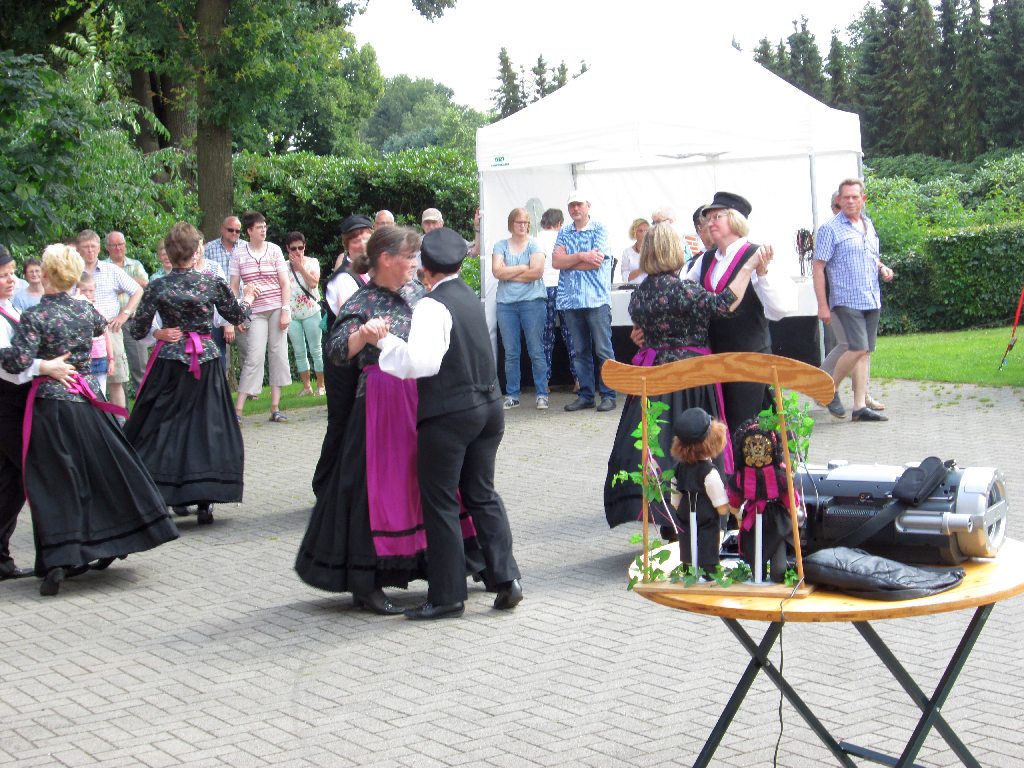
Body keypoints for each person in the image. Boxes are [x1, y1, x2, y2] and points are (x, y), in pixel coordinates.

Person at [297, 226, 471, 614]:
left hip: (422, 400)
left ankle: (447, 568)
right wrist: (363, 335)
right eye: (408, 257)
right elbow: (336, 350)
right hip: (379, 406)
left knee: (430, 483)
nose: (414, 264)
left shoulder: (419, 292)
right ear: (385, 259)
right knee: (372, 491)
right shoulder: (361, 300)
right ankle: (366, 583)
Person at [1, 244, 178, 596]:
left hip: (52, 408)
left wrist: (36, 360)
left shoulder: (36, 316)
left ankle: (60, 558)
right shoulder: (84, 309)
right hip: (87, 403)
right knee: (98, 472)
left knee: (55, 482)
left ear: (47, 274)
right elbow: (100, 327)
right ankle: (106, 541)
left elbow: (17, 361)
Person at [373, 227, 523, 620]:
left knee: (440, 501)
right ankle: (507, 578)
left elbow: (421, 363)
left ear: (425, 268)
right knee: (482, 494)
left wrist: (384, 342)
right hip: (489, 406)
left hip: (451, 413)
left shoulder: (431, 305)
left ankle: (447, 595)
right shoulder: (470, 296)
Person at [604, 222, 760, 529]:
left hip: (654, 373)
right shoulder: (683, 290)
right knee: (696, 439)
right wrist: (748, 266)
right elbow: (724, 304)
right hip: (691, 374)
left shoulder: (640, 294)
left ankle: (664, 512)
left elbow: (643, 329)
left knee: (659, 441)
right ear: (675, 251)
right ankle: (703, 509)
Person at [126, 221, 255, 525]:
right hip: (205, 362)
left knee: (165, 425)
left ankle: (170, 493)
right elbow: (238, 315)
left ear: (171, 253)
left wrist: (159, 333)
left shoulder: (158, 286)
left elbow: (138, 329)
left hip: (170, 362)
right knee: (207, 427)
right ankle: (203, 499)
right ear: (197, 251)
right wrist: (249, 296)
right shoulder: (211, 283)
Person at [683, 191, 795, 432]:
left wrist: (763, 275)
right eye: (708, 218)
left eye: (717, 217)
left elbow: (779, 309)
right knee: (717, 427)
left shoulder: (758, 255)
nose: (710, 223)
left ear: (735, 220)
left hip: (749, 359)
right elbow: (682, 297)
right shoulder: (705, 260)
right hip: (714, 358)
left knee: (747, 428)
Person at [0, 245, 76, 583]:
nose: (10, 279)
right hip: (6, 406)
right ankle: (54, 555)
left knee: (12, 483)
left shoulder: (10, 307)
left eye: (11, 272)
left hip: (17, 404)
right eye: (3, 275)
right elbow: (7, 363)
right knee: (37, 477)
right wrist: (43, 366)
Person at [813, 178, 894, 423]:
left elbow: (870, 256)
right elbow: (818, 267)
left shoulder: (868, 225)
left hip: (871, 297)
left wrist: (882, 267)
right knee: (856, 347)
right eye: (845, 197)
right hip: (846, 299)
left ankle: (859, 407)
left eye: (854, 197)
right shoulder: (830, 229)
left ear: (863, 199)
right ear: (838, 200)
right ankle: (828, 390)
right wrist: (822, 305)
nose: (850, 201)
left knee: (864, 352)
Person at [313, 214, 374, 498]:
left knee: (357, 422)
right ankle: (325, 484)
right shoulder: (343, 279)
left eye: (365, 237)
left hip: (360, 357)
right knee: (341, 421)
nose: (361, 243)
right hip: (342, 361)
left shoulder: (370, 273)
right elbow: (354, 317)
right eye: (355, 239)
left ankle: (350, 483)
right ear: (347, 245)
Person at [553, 190, 617, 413]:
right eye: (572, 205)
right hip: (570, 301)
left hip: (596, 299)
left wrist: (569, 260)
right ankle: (586, 396)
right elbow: (556, 262)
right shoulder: (564, 231)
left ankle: (609, 395)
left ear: (588, 205)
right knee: (579, 351)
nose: (575, 208)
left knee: (603, 350)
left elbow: (596, 262)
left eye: (579, 204)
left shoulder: (600, 229)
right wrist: (582, 256)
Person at [230, 211, 291, 423]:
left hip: (276, 308)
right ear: (249, 231)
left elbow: (285, 283)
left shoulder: (274, 250)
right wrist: (237, 315)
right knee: (254, 356)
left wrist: (286, 310)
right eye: (259, 227)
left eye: (265, 227)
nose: (263, 230)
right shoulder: (239, 254)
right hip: (254, 311)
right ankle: (238, 410)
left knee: (278, 354)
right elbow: (233, 287)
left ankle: (275, 408)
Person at [77, 229, 143, 411]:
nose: (90, 250)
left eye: (93, 246)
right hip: (81, 333)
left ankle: (120, 422)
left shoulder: (111, 270)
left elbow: (137, 290)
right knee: (84, 380)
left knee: (116, 380)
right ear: (79, 250)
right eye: (86, 247)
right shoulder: (73, 273)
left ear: (99, 248)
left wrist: (124, 314)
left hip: (110, 330)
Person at [493, 207, 549, 410]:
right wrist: (523, 268)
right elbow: (497, 272)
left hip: (532, 302)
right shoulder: (500, 245)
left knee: (536, 350)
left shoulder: (535, 245)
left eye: (526, 222)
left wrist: (508, 273)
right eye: (519, 222)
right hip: (506, 305)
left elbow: (537, 272)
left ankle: (542, 394)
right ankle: (512, 395)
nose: (523, 225)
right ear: (511, 224)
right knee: (511, 352)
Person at [536, 208, 578, 392]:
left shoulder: (536, 239)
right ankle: (579, 380)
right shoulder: (565, 237)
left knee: (546, 336)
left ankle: (543, 382)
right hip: (564, 286)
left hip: (544, 288)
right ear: (559, 223)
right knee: (571, 334)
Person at [104, 231, 149, 395]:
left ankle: (144, 404)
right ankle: (120, 408)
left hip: (132, 321)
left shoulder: (135, 264)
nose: (118, 248)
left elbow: (145, 284)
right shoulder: (103, 266)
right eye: (114, 245)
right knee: (116, 370)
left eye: (120, 244)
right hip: (111, 324)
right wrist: (130, 283)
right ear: (107, 248)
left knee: (140, 365)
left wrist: (122, 283)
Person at [283, 231, 326, 397]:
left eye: (300, 248)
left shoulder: (312, 262)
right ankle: (307, 386)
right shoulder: (283, 266)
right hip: (292, 314)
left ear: (304, 247)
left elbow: (313, 283)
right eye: (293, 248)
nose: (297, 251)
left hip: (311, 312)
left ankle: (321, 385)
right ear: (288, 249)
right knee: (299, 352)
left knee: (316, 350)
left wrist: (300, 267)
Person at [204, 216, 244, 369]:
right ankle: (221, 383)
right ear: (222, 229)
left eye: (237, 231)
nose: (234, 233)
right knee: (217, 356)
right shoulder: (208, 249)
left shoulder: (246, 248)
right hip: (215, 310)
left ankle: (250, 386)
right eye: (230, 230)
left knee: (249, 355)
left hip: (242, 307)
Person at [75, 272, 115, 396]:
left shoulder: (98, 310)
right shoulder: (75, 312)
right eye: (84, 291)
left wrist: (111, 359)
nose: (87, 294)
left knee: (101, 392)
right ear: (77, 291)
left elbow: (106, 336)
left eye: (91, 291)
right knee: (85, 392)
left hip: (101, 357)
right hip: (85, 359)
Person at [619, 218, 650, 284]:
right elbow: (625, 277)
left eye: (646, 231)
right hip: (633, 288)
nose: (644, 234)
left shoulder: (654, 251)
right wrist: (641, 269)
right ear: (634, 233)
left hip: (651, 287)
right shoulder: (627, 252)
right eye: (640, 231)